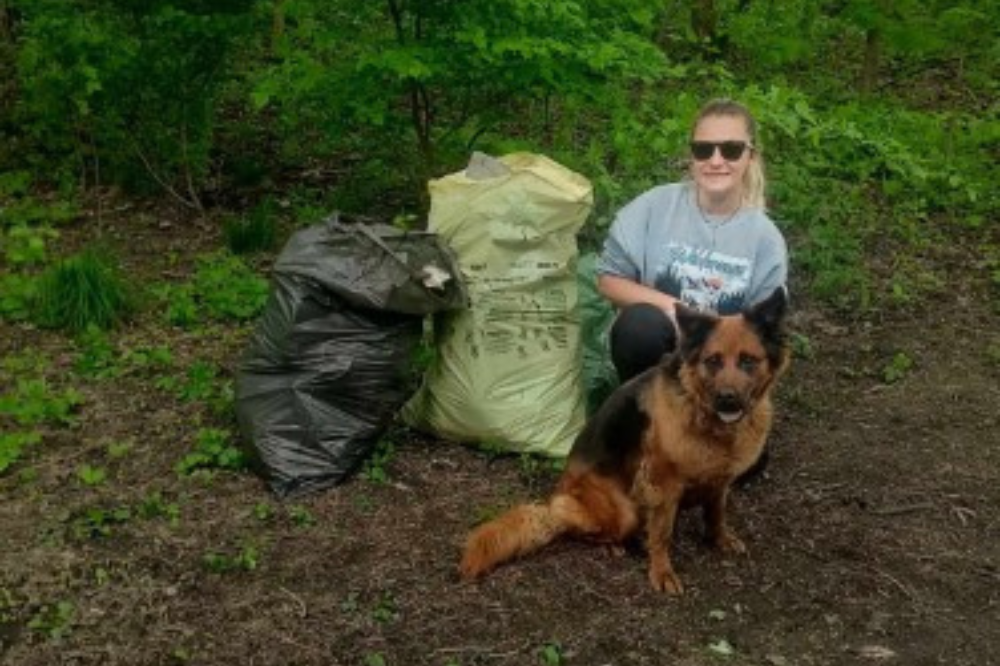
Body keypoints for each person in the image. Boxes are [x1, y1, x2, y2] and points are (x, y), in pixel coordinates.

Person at [597, 98, 789, 383]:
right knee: (638, 325)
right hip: (655, 353)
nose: (716, 160)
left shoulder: (766, 240)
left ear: (751, 156)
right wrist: (675, 309)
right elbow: (609, 280)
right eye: (703, 149)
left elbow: (765, 329)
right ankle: (643, 407)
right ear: (691, 155)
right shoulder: (653, 207)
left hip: (722, 371)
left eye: (731, 150)